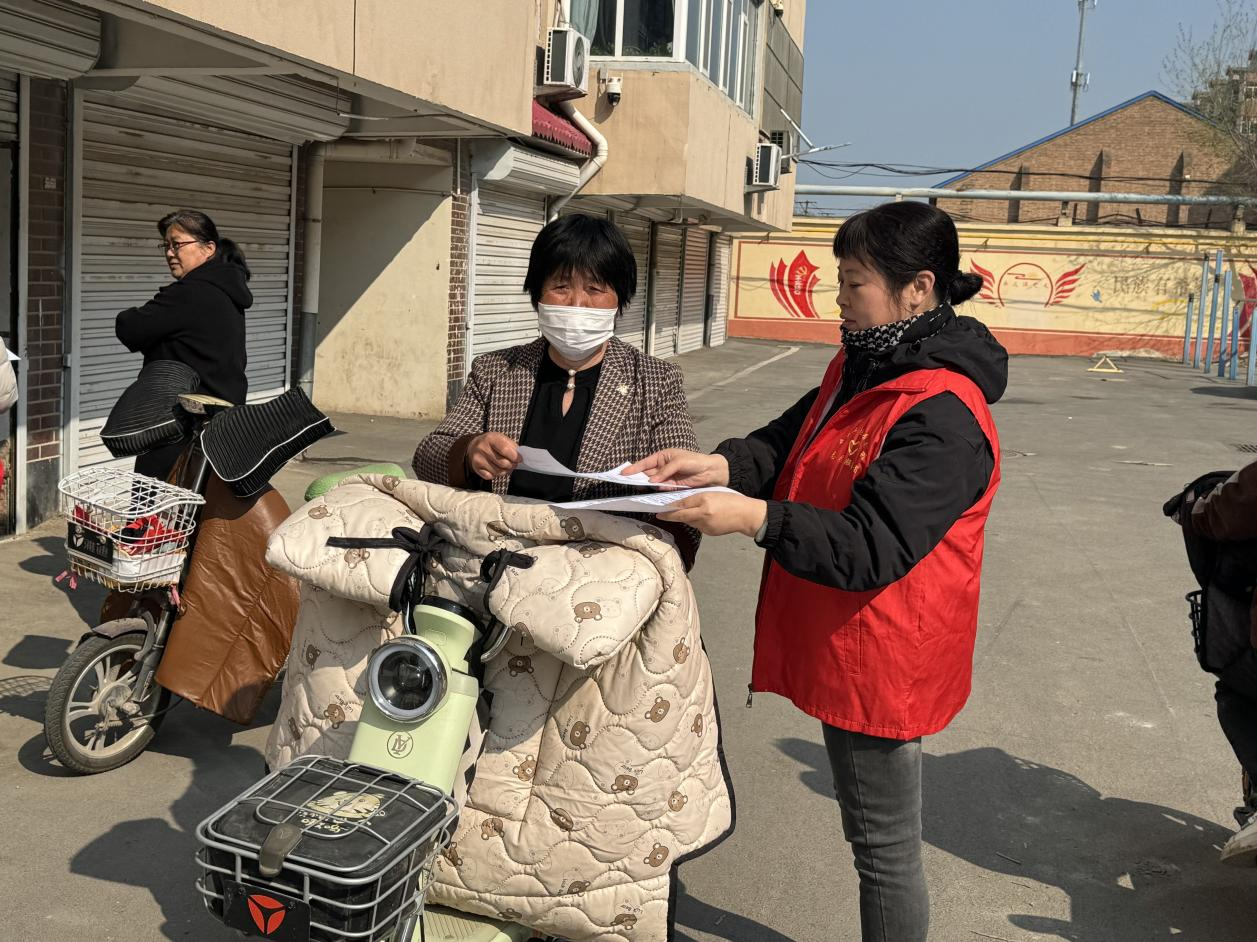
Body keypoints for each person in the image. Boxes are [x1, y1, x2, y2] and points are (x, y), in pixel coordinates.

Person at [627, 201, 1008, 942]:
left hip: (884, 652)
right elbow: (792, 439)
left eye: (854, 283)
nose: (839, 299)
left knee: (883, 848)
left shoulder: (943, 413)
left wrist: (753, 517)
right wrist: (722, 466)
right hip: (848, 636)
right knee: (875, 838)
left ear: (918, 288)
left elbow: (872, 545)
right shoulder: (865, 363)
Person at [412, 212, 700, 566]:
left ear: (620, 299)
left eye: (595, 289)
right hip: (494, 558)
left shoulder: (655, 381)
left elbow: (687, 490)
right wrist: (469, 452)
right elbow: (427, 456)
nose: (577, 303)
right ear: (538, 294)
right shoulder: (495, 370)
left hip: (600, 568)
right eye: (561, 287)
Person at [115, 209, 252, 479]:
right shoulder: (226, 290)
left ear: (208, 248)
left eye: (177, 244)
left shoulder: (192, 292)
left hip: (179, 428)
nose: (169, 253)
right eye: (165, 246)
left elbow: (130, 328)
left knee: (155, 502)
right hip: (221, 426)